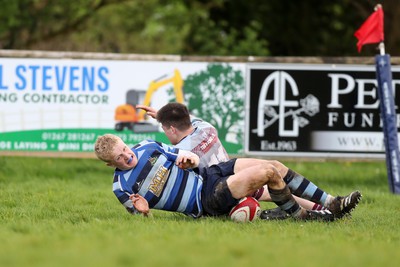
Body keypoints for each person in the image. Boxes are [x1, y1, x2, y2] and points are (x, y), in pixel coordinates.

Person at [137, 103, 360, 220]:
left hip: (221, 187)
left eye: (165, 129)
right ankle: (328, 207)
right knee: (271, 185)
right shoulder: (205, 127)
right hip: (230, 171)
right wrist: (161, 116)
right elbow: (184, 118)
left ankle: (324, 210)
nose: (166, 133)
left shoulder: (181, 152)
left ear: (172, 129)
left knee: (265, 190)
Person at [94, 134, 361, 222]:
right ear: (110, 164)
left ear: (125, 143)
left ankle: (332, 202)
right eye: (119, 158)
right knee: (267, 174)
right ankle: (305, 218)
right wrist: (144, 212)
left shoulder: (147, 146)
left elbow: (188, 157)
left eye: (124, 149)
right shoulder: (122, 187)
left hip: (210, 174)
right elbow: (140, 221)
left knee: (275, 165)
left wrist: (191, 159)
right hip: (206, 199)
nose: (127, 156)